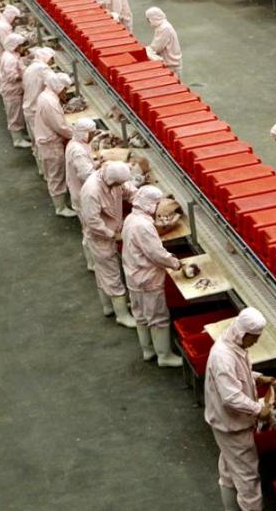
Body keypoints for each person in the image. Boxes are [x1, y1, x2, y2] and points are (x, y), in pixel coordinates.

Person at [204, 308, 275, 511]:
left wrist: (258, 378)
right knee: (248, 481)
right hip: (233, 426)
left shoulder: (232, 345)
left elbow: (238, 375)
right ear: (244, 333)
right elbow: (231, 397)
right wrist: (259, 409)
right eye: (255, 338)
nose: (256, 342)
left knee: (228, 472)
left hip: (225, 423)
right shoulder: (223, 357)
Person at [122, 185, 185, 367]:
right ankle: (164, 356)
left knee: (140, 314)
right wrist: (175, 263)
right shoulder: (144, 226)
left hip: (133, 275)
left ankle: (148, 350)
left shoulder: (131, 218)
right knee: (158, 317)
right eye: (157, 204)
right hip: (147, 277)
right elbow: (156, 254)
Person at [79, 161, 137, 325]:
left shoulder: (113, 180)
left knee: (103, 272)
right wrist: (112, 234)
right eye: (118, 184)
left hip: (110, 231)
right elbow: (93, 221)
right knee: (111, 274)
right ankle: (122, 315)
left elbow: (128, 191)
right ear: (111, 181)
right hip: (100, 238)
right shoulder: (92, 191)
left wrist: (140, 201)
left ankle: (108, 307)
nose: (120, 186)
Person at [34, 72, 79, 217]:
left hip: (46, 140)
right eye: (64, 89)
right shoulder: (50, 103)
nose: (65, 92)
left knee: (53, 174)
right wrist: (77, 135)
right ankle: (60, 208)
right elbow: (60, 126)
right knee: (56, 175)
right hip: (50, 144)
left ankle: (60, 203)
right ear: (59, 87)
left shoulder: (46, 95)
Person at [0, 33, 32, 148]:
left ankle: (20, 135)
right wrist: (25, 75)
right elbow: (12, 76)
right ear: (14, 45)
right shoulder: (10, 59)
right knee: (15, 115)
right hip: (12, 91)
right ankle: (17, 140)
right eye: (20, 45)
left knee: (17, 114)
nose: (21, 47)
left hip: (14, 90)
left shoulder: (11, 54)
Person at [0, 4, 22, 94]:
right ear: (11, 16)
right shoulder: (3, 27)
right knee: (2, 83)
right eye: (15, 19)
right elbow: (8, 44)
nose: (16, 21)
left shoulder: (2, 24)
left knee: (0, 80)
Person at [65, 117, 96, 211]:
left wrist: (97, 164)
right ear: (84, 134)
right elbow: (86, 175)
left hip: (80, 189)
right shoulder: (78, 151)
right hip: (82, 192)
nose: (93, 136)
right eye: (92, 134)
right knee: (89, 217)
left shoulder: (76, 142)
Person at [22, 46, 55, 137]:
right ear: (46, 57)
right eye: (51, 59)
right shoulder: (43, 68)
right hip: (35, 108)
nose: (53, 62)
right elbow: (55, 83)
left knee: (35, 137)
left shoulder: (32, 66)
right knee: (40, 137)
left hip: (29, 105)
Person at [145, 6, 182, 77]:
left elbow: (156, 48)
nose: (149, 22)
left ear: (154, 18)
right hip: (171, 63)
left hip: (172, 65)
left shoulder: (164, 28)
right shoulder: (162, 26)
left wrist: (146, 50)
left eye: (149, 20)